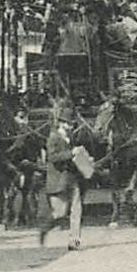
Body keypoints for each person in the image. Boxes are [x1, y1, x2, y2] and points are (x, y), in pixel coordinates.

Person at [40, 101, 84, 250]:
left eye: (71, 124)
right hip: (58, 180)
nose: (71, 126)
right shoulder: (53, 138)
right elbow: (52, 157)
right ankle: (45, 228)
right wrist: (71, 153)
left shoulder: (70, 137)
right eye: (68, 124)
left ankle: (75, 242)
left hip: (71, 178)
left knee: (77, 209)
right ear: (61, 124)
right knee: (60, 213)